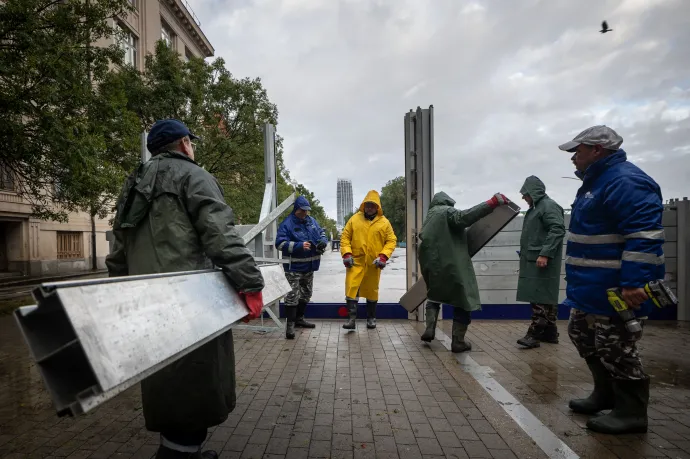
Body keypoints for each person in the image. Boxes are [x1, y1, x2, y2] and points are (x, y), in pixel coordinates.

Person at [105, 119, 265, 459]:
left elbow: (119, 247)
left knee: (166, 382)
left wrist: (118, 292)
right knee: (195, 385)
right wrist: (250, 283)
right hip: (192, 302)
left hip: (147, 300)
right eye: (191, 142)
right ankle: (179, 453)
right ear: (183, 144)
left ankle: (180, 449)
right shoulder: (195, 176)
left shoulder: (133, 182)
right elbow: (220, 234)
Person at [559, 125, 665, 435]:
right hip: (592, 287)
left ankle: (632, 413)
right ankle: (604, 394)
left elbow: (644, 235)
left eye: (577, 151)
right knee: (581, 334)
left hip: (618, 288)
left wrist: (634, 282)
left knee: (617, 347)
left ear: (597, 150)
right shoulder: (598, 182)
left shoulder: (626, 181)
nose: (573, 158)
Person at [418, 192, 511, 352]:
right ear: (448, 202)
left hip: (430, 263)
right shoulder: (447, 211)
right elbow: (465, 217)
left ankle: (430, 328)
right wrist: (491, 203)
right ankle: (458, 341)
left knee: (434, 294)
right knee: (464, 298)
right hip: (452, 262)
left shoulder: (430, 216)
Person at [515, 176, 566, 349]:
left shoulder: (547, 206)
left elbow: (558, 229)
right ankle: (550, 333)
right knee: (545, 295)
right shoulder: (539, 207)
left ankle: (534, 334)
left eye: (525, 194)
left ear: (533, 192)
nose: (523, 197)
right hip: (535, 259)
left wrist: (545, 254)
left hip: (541, 260)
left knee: (539, 296)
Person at [340, 190, 397, 330]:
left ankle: (371, 318)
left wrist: (383, 256)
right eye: (367, 205)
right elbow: (345, 237)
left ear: (378, 207)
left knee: (372, 290)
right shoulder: (354, 219)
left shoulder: (384, 223)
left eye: (373, 205)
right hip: (355, 262)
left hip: (374, 264)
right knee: (352, 289)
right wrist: (346, 254)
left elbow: (391, 240)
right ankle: (351, 320)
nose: (370, 207)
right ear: (363, 205)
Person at [275, 195, 328, 339]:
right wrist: (299, 246)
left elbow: (322, 233)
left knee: (306, 294)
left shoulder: (311, 221)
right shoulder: (287, 224)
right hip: (294, 268)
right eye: (303, 211)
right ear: (296, 209)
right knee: (292, 296)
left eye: (307, 211)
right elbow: (279, 243)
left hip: (309, 266)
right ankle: (290, 326)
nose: (305, 213)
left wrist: (323, 241)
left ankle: (299, 319)